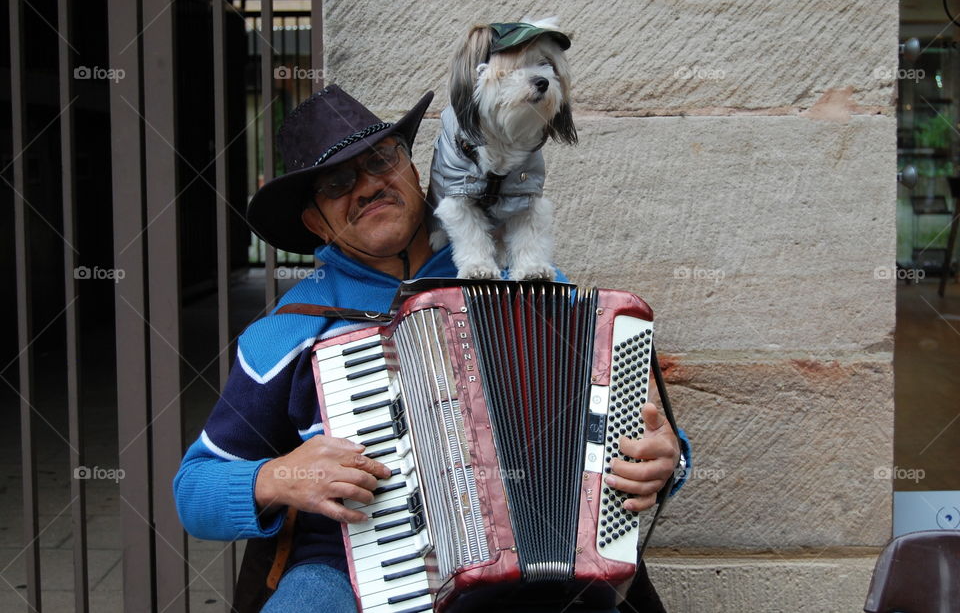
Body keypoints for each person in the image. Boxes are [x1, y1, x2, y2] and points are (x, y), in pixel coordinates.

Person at [174, 85, 692, 613]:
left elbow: (639, 436)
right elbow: (193, 491)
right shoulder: (287, 334)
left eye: (381, 160)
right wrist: (279, 476)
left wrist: (664, 460)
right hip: (348, 571)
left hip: (536, 570)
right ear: (315, 223)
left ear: (413, 169)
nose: (368, 187)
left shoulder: (525, 287)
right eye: (337, 183)